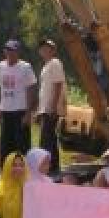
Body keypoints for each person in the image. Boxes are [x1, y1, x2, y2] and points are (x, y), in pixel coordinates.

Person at [0, 40, 38, 170]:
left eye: (12, 50)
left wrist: (28, 113)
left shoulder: (25, 67)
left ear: (18, 52)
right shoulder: (0, 66)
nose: (10, 53)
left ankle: (23, 174)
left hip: (20, 111)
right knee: (6, 146)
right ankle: (6, 174)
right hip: (6, 110)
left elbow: (31, 89)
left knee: (21, 146)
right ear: (4, 51)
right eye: (7, 50)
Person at [36, 40, 67, 177]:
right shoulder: (45, 66)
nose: (45, 50)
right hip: (45, 107)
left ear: (53, 50)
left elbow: (58, 84)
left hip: (51, 108)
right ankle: (52, 166)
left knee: (46, 139)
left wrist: (53, 107)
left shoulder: (55, 63)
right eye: (43, 48)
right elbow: (44, 90)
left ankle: (51, 167)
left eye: (48, 48)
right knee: (49, 138)